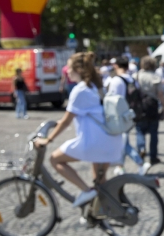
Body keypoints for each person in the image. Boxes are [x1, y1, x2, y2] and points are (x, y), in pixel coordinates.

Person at [34, 52, 122, 207]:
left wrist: (48, 140)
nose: (66, 71)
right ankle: (105, 212)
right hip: (110, 138)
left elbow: (67, 121)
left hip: (94, 141)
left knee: (55, 159)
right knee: (100, 181)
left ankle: (86, 191)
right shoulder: (96, 86)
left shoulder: (80, 90)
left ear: (79, 70)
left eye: (69, 67)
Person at [107, 57, 151, 176]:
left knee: (123, 142)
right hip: (131, 114)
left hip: (119, 115)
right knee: (123, 141)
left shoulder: (116, 80)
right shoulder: (132, 79)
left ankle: (140, 163)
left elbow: (111, 99)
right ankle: (121, 166)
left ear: (116, 66)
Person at [135, 56, 164, 165]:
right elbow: (160, 94)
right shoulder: (155, 77)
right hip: (152, 106)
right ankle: (153, 156)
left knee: (139, 131)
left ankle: (141, 148)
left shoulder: (137, 75)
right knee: (154, 133)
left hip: (139, 107)